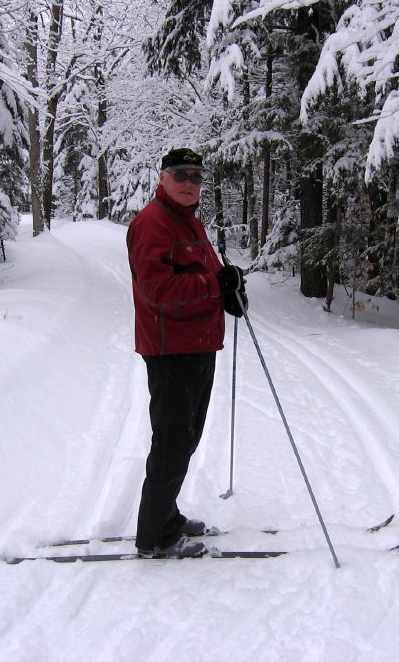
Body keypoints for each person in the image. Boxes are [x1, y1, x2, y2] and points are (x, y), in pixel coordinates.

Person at [126, 147, 247, 558]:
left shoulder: (190, 223)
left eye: (196, 176)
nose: (190, 183)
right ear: (163, 178)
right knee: (172, 443)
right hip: (169, 350)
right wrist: (215, 287)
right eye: (181, 175)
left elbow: (206, 274)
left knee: (187, 439)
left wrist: (227, 289)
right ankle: (154, 537)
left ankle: (168, 516)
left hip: (197, 345)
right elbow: (157, 290)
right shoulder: (152, 224)